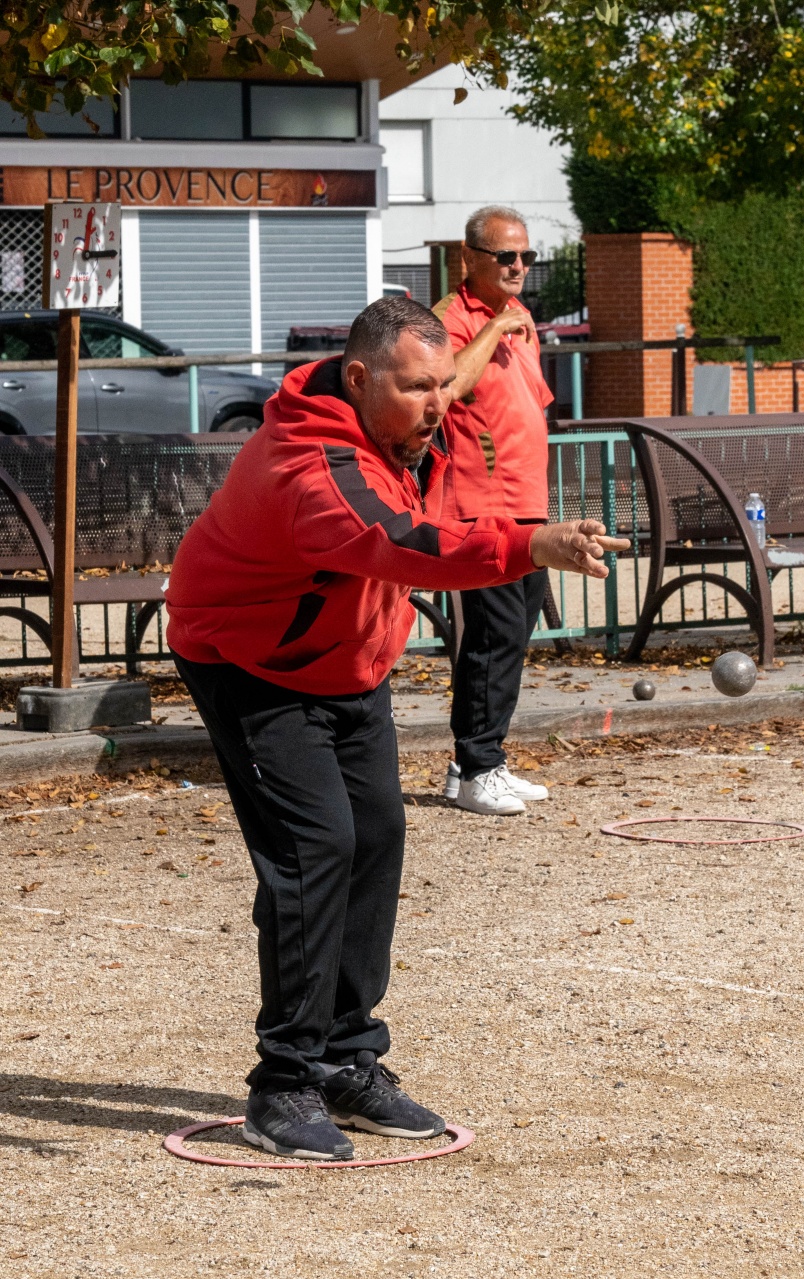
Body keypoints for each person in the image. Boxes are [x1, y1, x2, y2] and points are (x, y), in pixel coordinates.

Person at [165, 296, 628, 1162]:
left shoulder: (408, 433)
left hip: (346, 665)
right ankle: (284, 1082)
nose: (437, 403)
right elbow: (400, 539)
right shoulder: (307, 467)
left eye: (442, 384)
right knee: (315, 849)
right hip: (249, 661)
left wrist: (518, 529)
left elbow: (449, 512)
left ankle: (347, 1060)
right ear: (357, 378)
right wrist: (529, 545)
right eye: (416, 387)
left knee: (375, 834)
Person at [433, 205, 559, 816]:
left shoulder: (523, 319)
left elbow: (530, 408)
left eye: (526, 257)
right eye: (505, 256)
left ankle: (474, 765)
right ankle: (480, 765)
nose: (517, 266)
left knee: (512, 632)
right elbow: (447, 385)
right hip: (482, 506)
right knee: (495, 633)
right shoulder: (447, 319)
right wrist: (494, 329)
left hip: (526, 504)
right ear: (469, 259)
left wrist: (511, 323)